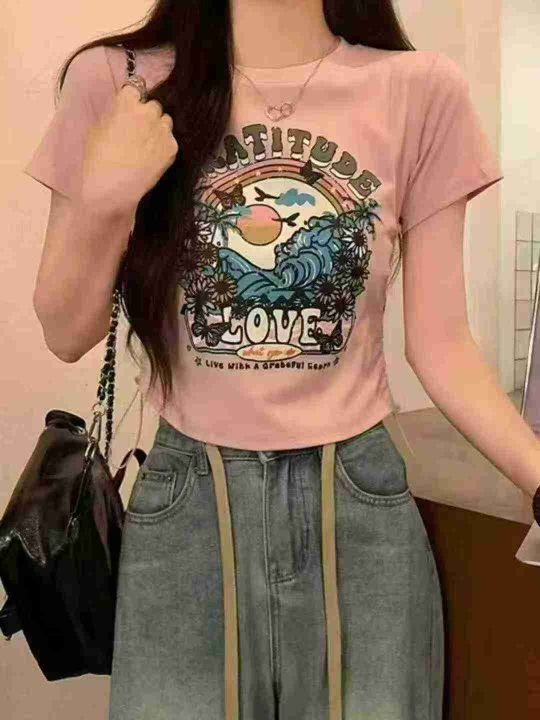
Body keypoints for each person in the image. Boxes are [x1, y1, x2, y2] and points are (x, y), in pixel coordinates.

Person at [24, 1, 540, 719]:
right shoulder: (119, 79)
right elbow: (65, 330)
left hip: (358, 510)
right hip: (186, 508)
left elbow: (442, 345)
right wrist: (105, 200)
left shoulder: (420, 90)